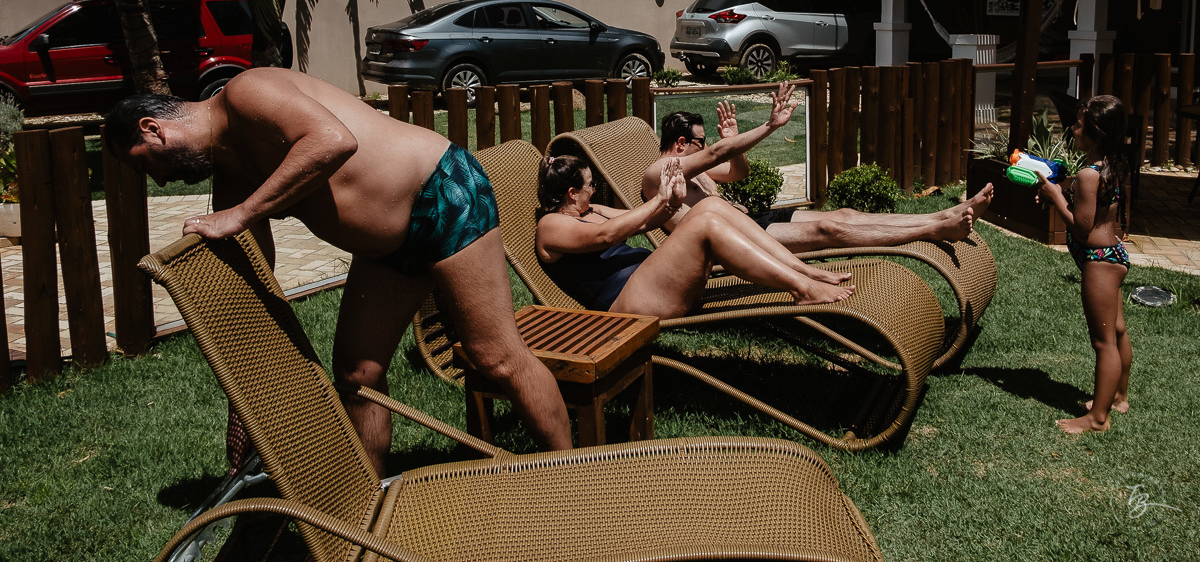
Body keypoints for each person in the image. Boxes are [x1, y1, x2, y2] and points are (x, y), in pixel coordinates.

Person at [106, 68, 571, 473]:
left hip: (443, 195)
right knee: (357, 374)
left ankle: (574, 476)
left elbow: (333, 140)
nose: (160, 180)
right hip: (387, 251)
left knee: (496, 356)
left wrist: (243, 214)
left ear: (153, 130)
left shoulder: (247, 91)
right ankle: (369, 502)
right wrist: (240, 404)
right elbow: (258, 272)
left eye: (146, 167)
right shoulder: (231, 175)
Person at [641, 82, 991, 252]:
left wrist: (733, 142)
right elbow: (717, 154)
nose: (705, 147)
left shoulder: (692, 171)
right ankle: (933, 230)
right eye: (700, 141)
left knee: (846, 215)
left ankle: (942, 215)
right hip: (735, 239)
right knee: (829, 229)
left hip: (753, 220)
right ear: (682, 143)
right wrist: (769, 127)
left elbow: (737, 173)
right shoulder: (659, 174)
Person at [535, 154, 854, 318]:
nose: (594, 189)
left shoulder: (591, 210)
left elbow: (642, 224)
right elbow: (606, 236)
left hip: (654, 282)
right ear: (572, 193)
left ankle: (803, 271)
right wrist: (658, 200)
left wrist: (671, 203)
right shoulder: (551, 226)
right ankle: (802, 289)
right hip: (632, 303)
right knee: (706, 224)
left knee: (710, 206)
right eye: (590, 185)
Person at [1036, 95, 1132, 434]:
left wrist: (1055, 196)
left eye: (1078, 126)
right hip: (1114, 254)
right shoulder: (1111, 165)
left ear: (1095, 133)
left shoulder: (1089, 175)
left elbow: (1081, 227)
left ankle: (1097, 419)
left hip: (1099, 261)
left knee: (1102, 341)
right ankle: (1118, 397)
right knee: (1116, 331)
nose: (1073, 130)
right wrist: (1064, 192)